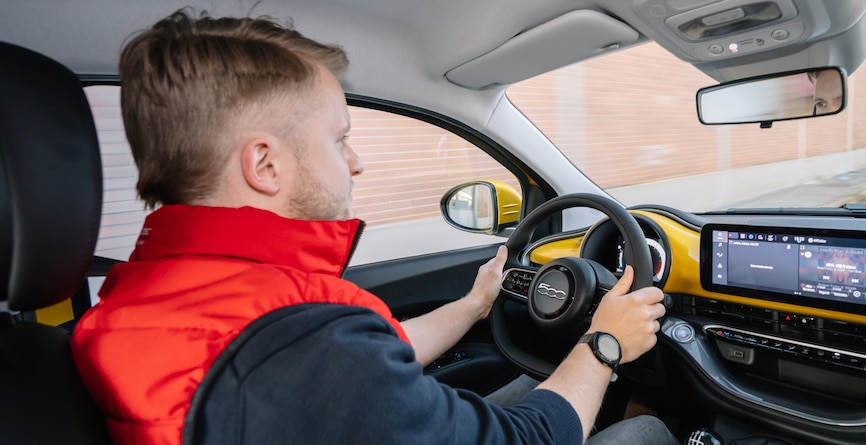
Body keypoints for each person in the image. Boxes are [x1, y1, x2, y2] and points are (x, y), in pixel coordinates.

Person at [70, 9, 676, 445]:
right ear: (264, 164)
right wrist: (605, 344)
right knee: (647, 429)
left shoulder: (152, 294)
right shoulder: (298, 340)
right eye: (338, 140)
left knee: (521, 381)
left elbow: (369, 364)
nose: (356, 162)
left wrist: (473, 304)